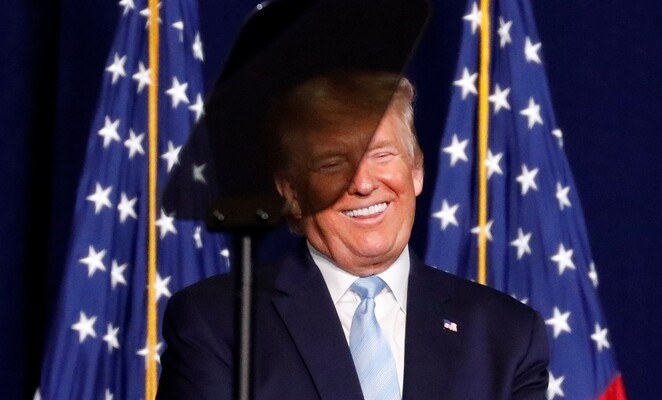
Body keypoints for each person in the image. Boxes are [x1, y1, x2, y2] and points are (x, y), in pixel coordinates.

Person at [156, 72, 549, 399]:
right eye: (333, 164)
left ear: (416, 171)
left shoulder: (506, 336)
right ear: (291, 193)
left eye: (382, 154)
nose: (362, 183)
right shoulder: (218, 325)